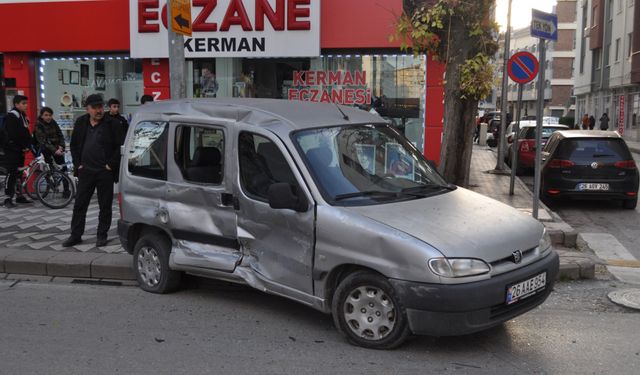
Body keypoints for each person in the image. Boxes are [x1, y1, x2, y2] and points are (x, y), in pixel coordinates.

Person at [63, 94, 121, 248]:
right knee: (80, 204)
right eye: (95, 108)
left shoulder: (112, 124)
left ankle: (102, 235)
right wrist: (78, 164)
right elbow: (74, 146)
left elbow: (119, 147)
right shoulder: (81, 122)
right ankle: (75, 235)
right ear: (87, 109)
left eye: (100, 107)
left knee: (105, 206)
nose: (99, 110)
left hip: (104, 172)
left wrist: (111, 165)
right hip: (86, 171)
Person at [2, 95, 33, 207]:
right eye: (23, 103)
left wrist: (28, 145)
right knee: (12, 173)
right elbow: (14, 134)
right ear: (16, 104)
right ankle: (7, 199)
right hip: (12, 150)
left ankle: (19, 196)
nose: (26, 105)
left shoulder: (22, 116)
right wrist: (23, 145)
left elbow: (25, 133)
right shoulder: (12, 116)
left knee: (19, 173)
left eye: (26, 103)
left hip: (19, 150)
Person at [34, 106, 71, 198]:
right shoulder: (38, 125)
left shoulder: (53, 122)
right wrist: (55, 150)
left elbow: (60, 134)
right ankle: (50, 183)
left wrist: (61, 146)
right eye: (46, 115)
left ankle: (66, 191)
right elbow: (44, 141)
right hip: (46, 149)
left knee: (63, 168)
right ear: (41, 116)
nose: (48, 117)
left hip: (57, 148)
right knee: (49, 169)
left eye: (50, 115)